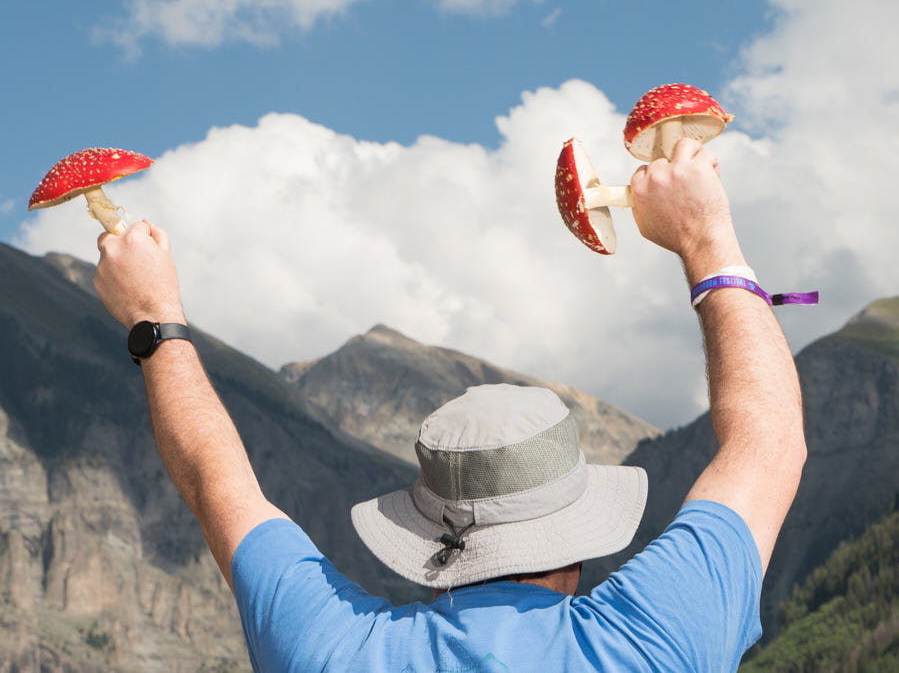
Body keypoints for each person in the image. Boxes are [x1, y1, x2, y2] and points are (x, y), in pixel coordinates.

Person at [94, 137, 806, 672]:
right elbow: (769, 442)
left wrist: (155, 318)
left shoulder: (335, 649)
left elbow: (216, 484)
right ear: (577, 538)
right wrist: (706, 237)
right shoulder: (657, 634)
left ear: (428, 537)